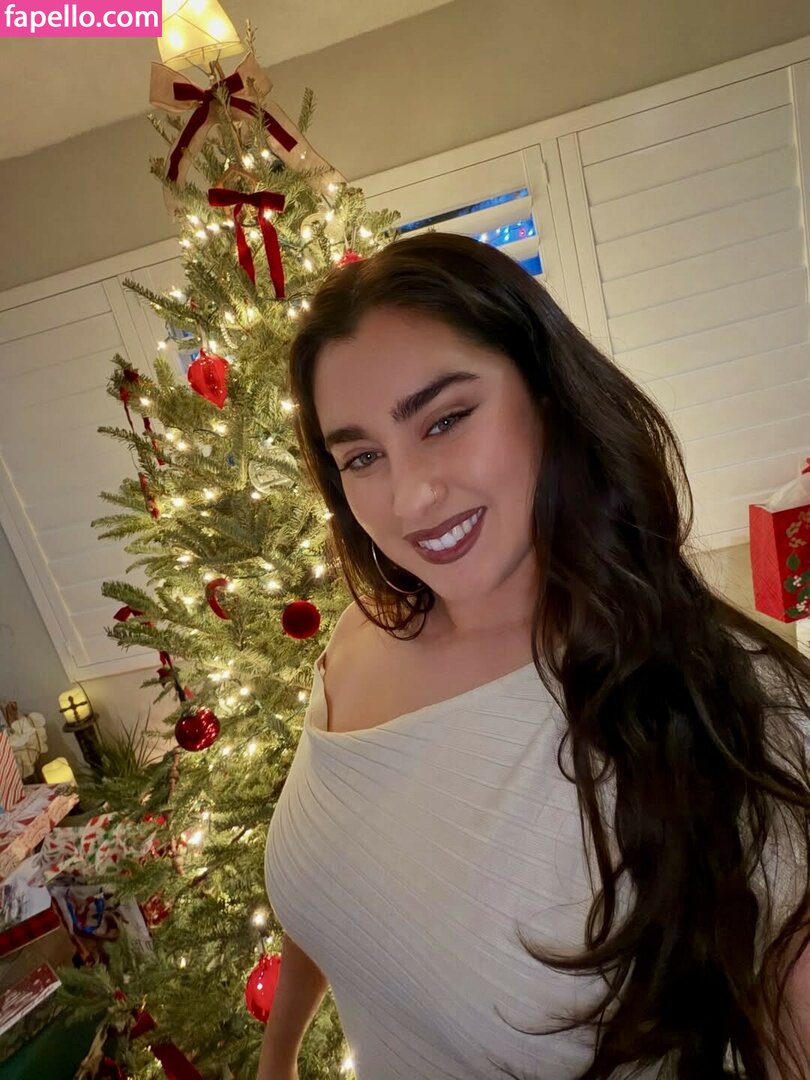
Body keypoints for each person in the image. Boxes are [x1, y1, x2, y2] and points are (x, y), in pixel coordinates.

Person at [260, 231, 810, 1080]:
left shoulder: (740, 714)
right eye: (362, 457)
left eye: (445, 419)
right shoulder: (355, 640)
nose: (410, 497)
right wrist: (279, 1059)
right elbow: (331, 882)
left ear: (548, 396)